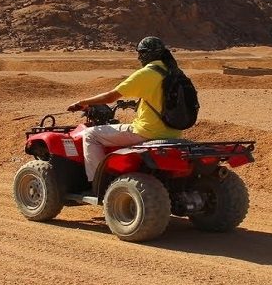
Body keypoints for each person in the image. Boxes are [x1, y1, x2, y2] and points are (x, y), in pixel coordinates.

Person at [67, 36, 184, 185]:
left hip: (146, 131)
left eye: (141, 53)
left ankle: (98, 183)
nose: (139, 57)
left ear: (147, 54)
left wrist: (82, 103)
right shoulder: (175, 72)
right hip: (174, 133)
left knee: (91, 135)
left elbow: (111, 97)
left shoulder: (147, 73)